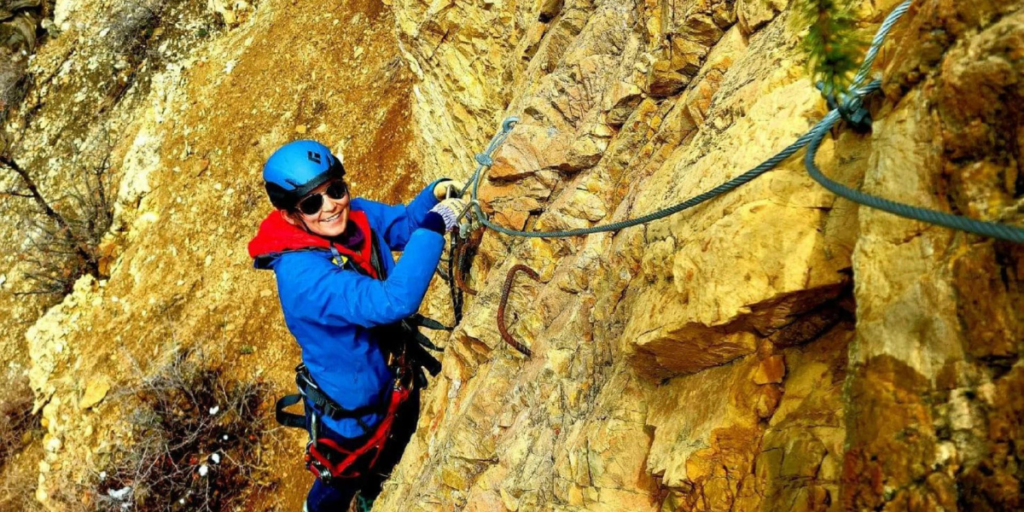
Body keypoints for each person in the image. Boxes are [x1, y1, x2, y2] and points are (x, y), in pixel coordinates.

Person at [247, 140, 465, 512]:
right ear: (289, 215)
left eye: (335, 190)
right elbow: (394, 300)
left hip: (394, 380)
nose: (330, 205)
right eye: (311, 203)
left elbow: (404, 225)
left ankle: (372, 497)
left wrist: (434, 195)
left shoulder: (356, 217)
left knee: (390, 454)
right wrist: (436, 226)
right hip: (350, 413)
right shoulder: (303, 277)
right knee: (340, 477)